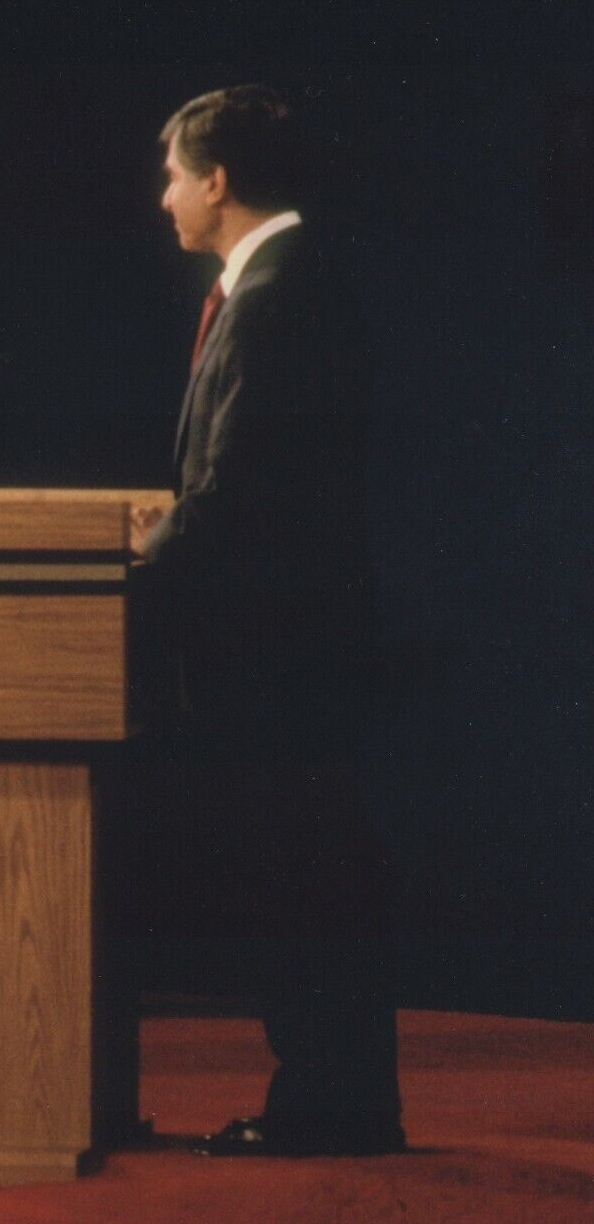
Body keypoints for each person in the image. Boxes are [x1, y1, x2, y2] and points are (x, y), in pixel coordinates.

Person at [131, 85, 405, 1157]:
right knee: (310, 873)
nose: (161, 198)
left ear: (218, 181)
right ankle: (335, 1100)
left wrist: (139, 565)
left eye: (170, 176)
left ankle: (331, 1108)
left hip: (278, 655)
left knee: (304, 879)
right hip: (297, 644)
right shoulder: (291, 280)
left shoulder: (279, 294)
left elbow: (238, 499)